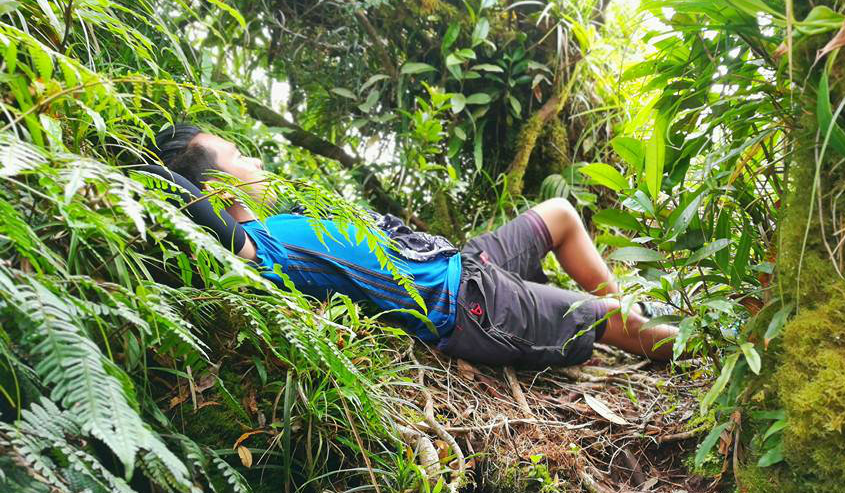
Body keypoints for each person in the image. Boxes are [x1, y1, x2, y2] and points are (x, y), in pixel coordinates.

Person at [148, 124, 679, 370]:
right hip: (470, 308)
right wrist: (139, 168)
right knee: (600, 316)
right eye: (240, 157)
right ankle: (704, 351)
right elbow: (187, 203)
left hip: (458, 262)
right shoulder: (262, 249)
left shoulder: (283, 223)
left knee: (560, 214)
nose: (257, 163)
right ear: (217, 189)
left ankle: (629, 317)